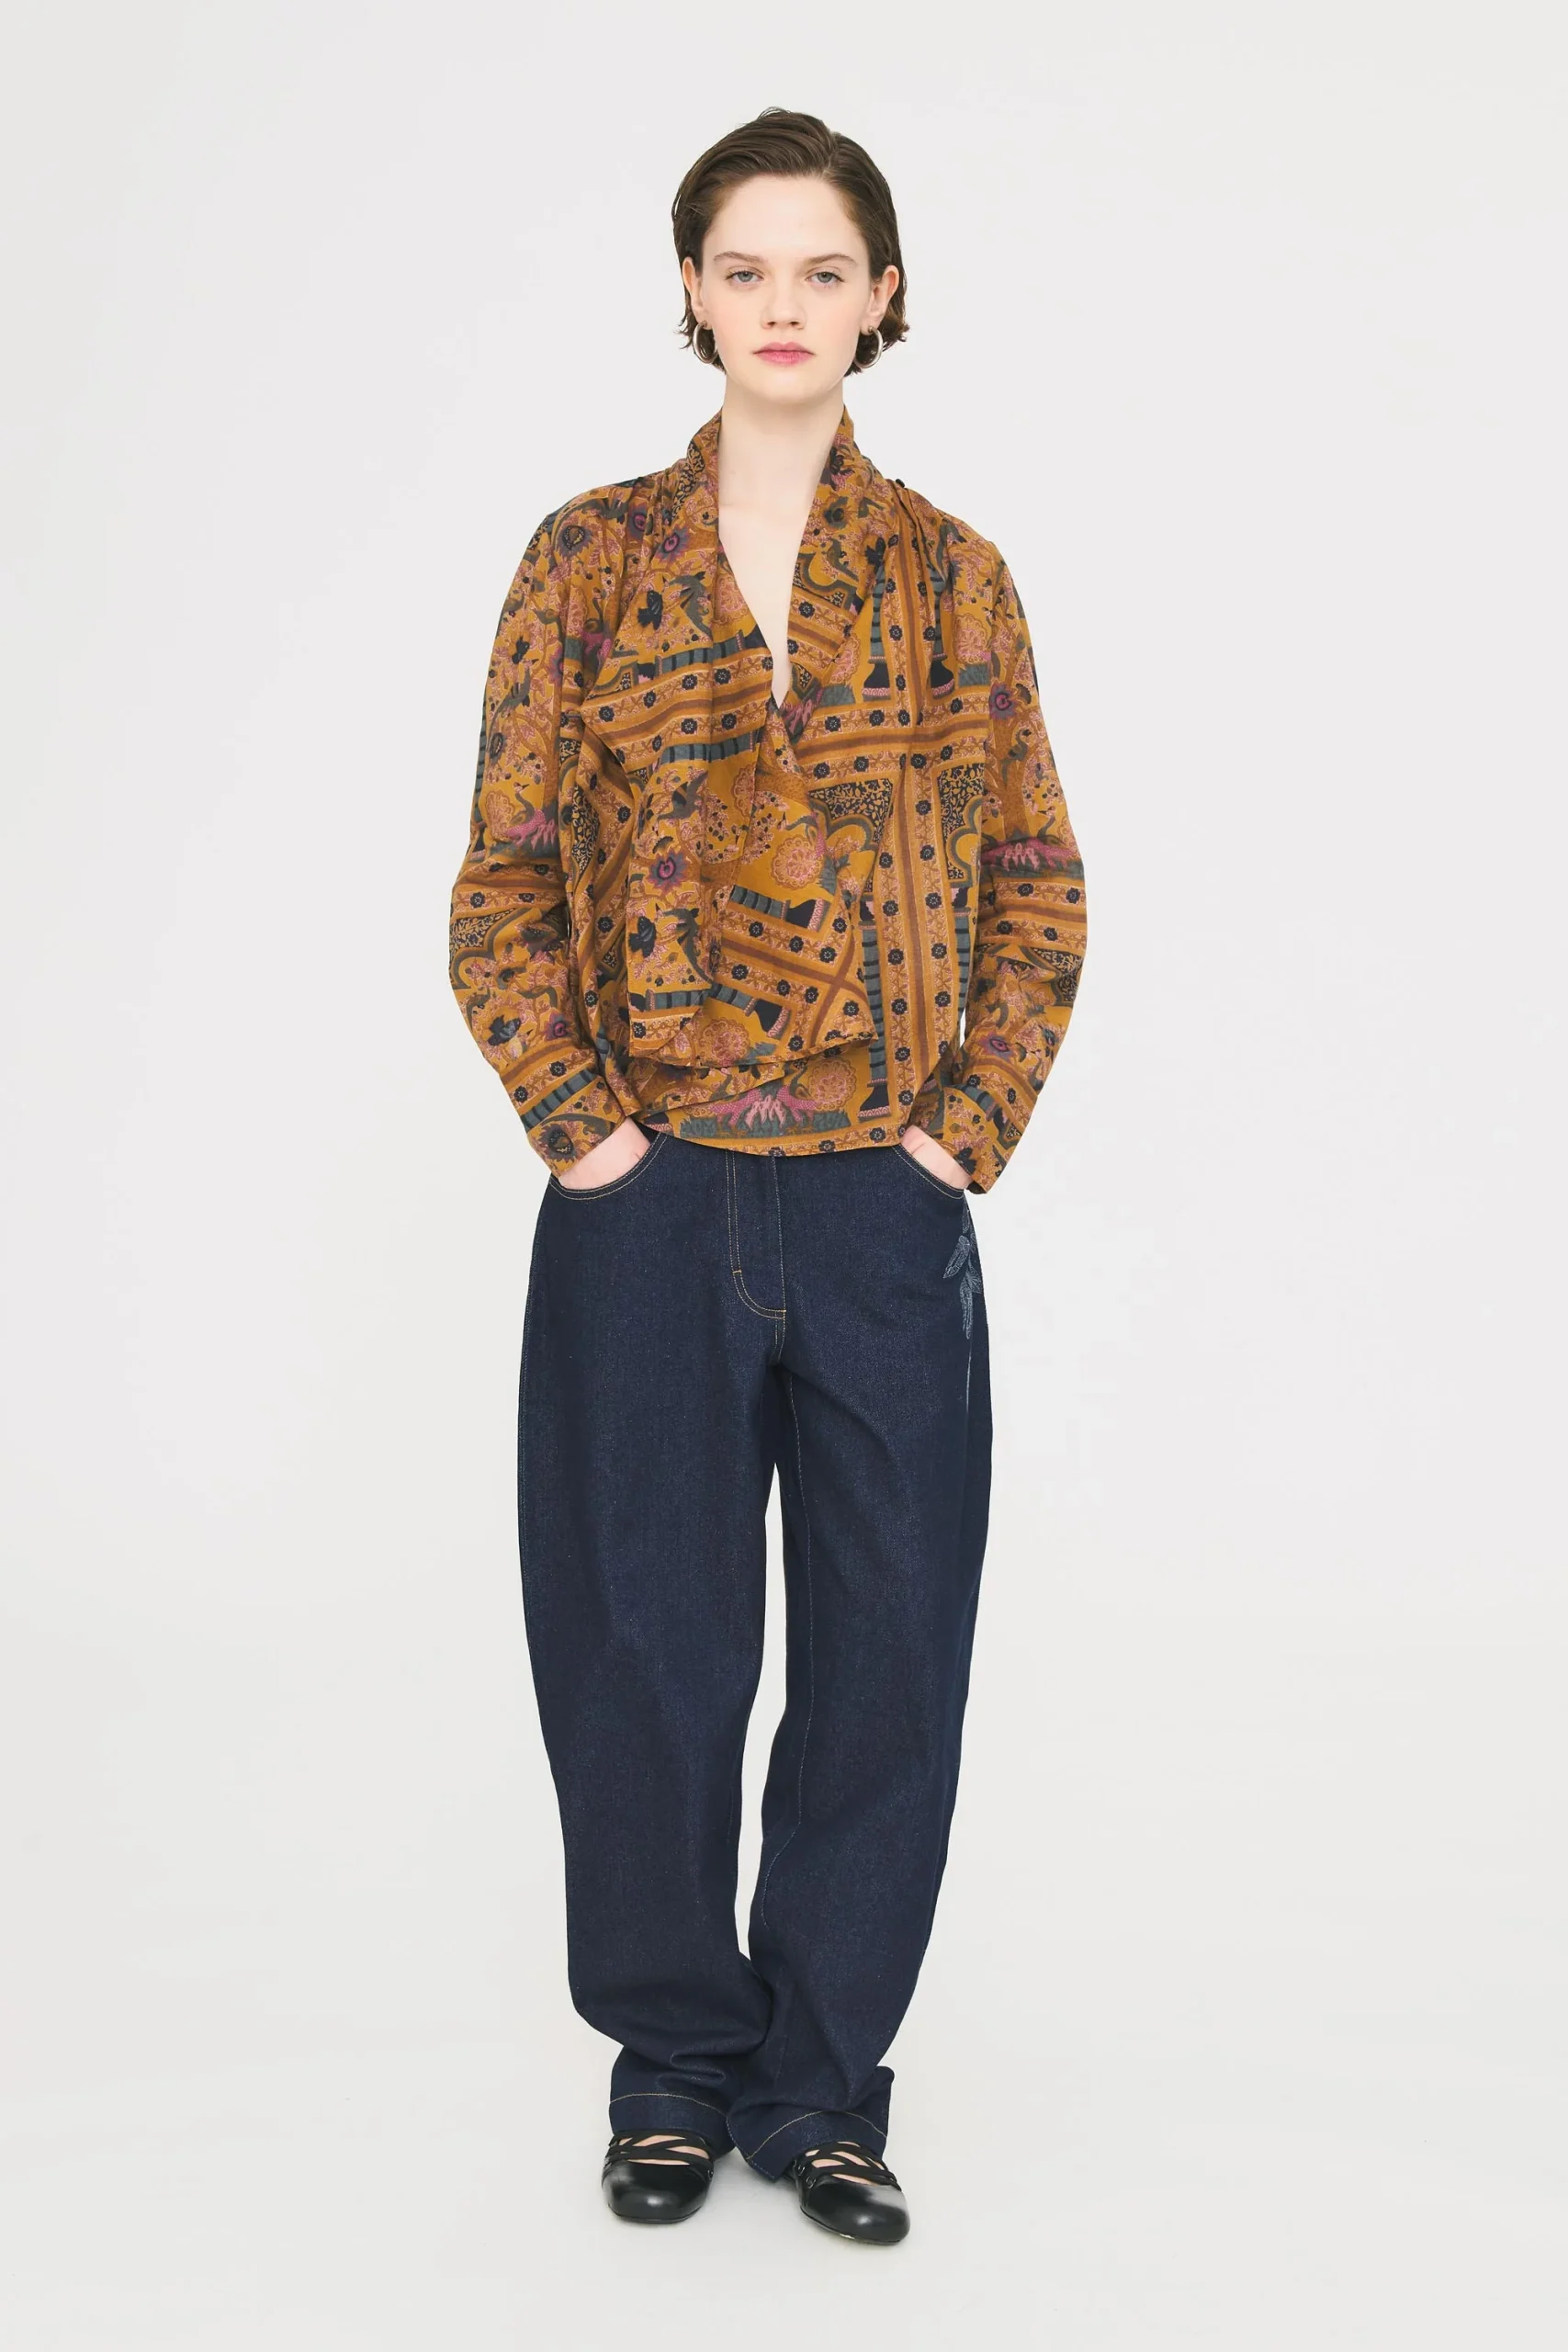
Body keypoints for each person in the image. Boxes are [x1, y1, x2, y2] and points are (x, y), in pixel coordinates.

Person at [447, 107, 1088, 2246]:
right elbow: (504, 878)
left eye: (824, 269)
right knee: (643, 1646)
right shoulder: (588, 562)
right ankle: (671, 2064)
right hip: (650, 1197)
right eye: (746, 267)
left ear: (882, 294)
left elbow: (1036, 881)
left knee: (891, 1652)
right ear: (693, 291)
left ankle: (821, 2085)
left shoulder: (952, 577)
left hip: (878, 1204)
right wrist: (586, 1128)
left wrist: (954, 1137)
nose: (784, 304)